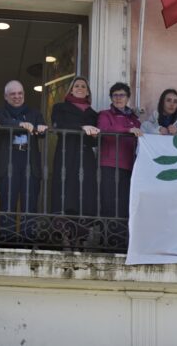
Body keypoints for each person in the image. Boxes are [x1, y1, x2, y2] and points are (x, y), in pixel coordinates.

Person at [0, 80, 47, 243]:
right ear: (6, 96)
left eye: (20, 93)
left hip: (29, 159)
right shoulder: (0, 113)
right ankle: (6, 240)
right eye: (13, 94)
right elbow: (3, 123)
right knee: (7, 200)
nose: (17, 97)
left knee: (30, 200)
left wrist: (42, 128)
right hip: (8, 159)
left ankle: (27, 240)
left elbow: (42, 131)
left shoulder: (34, 112)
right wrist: (21, 124)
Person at [50, 76, 100, 229]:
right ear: (71, 89)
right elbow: (59, 126)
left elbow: (94, 142)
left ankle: (81, 237)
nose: (80, 88)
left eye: (83, 86)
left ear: (87, 92)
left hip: (85, 157)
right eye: (76, 86)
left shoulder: (93, 114)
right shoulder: (60, 108)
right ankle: (63, 235)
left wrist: (95, 136)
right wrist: (81, 128)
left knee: (85, 193)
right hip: (66, 155)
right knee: (65, 193)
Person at [97, 82, 141, 249]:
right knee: (108, 204)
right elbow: (104, 131)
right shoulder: (104, 114)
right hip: (108, 165)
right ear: (111, 98)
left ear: (128, 98)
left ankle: (121, 242)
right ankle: (106, 242)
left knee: (124, 205)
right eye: (115, 95)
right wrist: (127, 131)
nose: (118, 98)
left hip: (128, 166)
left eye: (122, 95)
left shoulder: (134, 119)